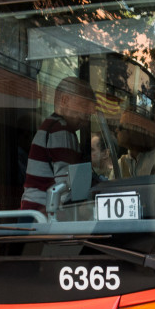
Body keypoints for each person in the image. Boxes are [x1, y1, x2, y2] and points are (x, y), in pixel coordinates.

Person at [21, 76, 96, 211]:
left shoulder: (51, 125)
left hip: (32, 211)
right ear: (64, 101)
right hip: (42, 214)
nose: (88, 114)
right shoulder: (61, 130)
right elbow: (66, 186)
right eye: (84, 106)